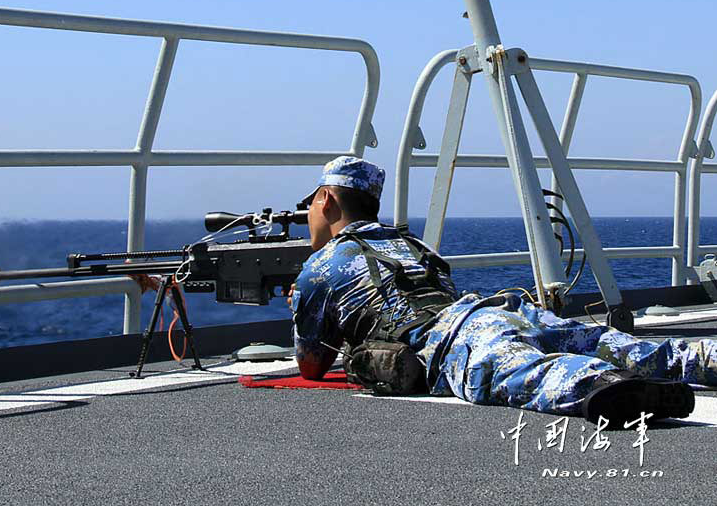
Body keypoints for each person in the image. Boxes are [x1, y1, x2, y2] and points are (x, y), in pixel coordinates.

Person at [290, 156, 716, 426]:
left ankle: (612, 389)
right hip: (502, 311)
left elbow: (312, 367)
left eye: (311, 203)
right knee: (615, 343)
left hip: (454, 339)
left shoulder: (320, 267)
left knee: (530, 374)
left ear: (327, 199)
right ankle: (703, 359)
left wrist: (301, 305)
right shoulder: (413, 245)